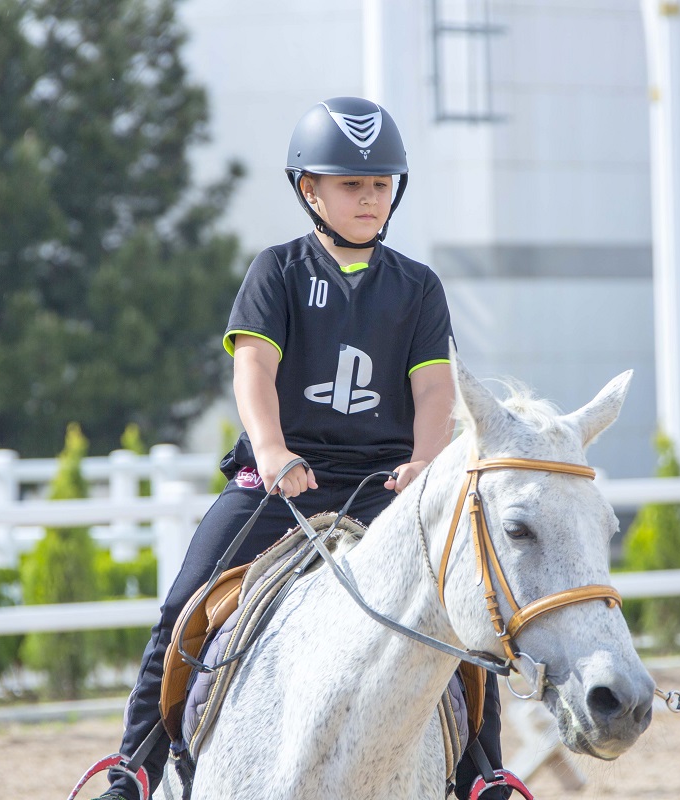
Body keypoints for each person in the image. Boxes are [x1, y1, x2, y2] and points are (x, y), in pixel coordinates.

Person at [95, 96, 507, 800]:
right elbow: (253, 370)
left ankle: (484, 774)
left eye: (381, 185)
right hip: (282, 482)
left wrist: (421, 461)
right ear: (308, 189)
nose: (369, 198)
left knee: (464, 615)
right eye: (352, 184)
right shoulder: (276, 272)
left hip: (385, 489)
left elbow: (436, 390)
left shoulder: (418, 287)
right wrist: (274, 451)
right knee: (186, 603)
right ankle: (135, 765)